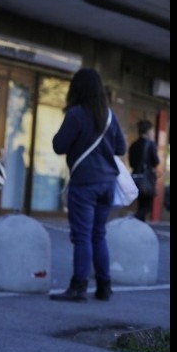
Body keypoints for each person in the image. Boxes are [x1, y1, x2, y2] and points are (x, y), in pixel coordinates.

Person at [50, 68, 126, 302]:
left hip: (85, 184)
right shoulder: (110, 116)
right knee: (98, 234)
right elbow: (121, 149)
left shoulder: (76, 114)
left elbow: (58, 145)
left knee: (82, 235)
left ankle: (78, 287)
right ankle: (104, 287)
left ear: (77, 88)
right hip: (107, 184)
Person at [128, 119, 159, 222]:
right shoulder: (150, 144)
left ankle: (139, 226)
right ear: (148, 131)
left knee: (141, 204)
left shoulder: (133, 145)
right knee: (147, 206)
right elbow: (156, 161)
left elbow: (131, 163)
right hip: (147, 180)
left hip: (136, 179)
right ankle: (134, 219)